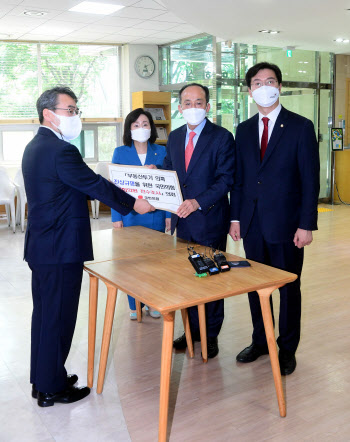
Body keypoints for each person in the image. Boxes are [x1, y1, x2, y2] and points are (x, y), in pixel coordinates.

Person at [22, 86, 154, 407]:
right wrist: (132, 204)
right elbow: (93, 184)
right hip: (60, 248)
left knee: (45, 316)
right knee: (60, 317)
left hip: (43, 247)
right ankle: (53, 388)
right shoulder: (60, 150)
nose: (75, 116)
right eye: (70, 110)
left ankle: (43, 379)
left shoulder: (34, 147)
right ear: (49, 114)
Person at [230, 62, 320, 375]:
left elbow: (310, 179)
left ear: (279, 87)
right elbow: (239, 180)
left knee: (288, 287)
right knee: (257, 287)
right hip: (252, 224)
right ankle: (260, 340)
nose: (264, 86)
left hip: (287, 225)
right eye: (257, 82)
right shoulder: (242, 130)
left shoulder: (300, 126)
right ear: (249, 90)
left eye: (270, 81)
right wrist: (235, 218)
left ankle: (286, 348)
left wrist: (307, 223)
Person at [163, 83, 235, 359]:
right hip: (183, 222)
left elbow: (226, 179)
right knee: (188, 279)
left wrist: (198, 201)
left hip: (209, 219)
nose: (193, 107)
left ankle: (210, 335)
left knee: (211, 279)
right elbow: (171, 174)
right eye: (187, 102)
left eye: (199, 102)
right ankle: (191, 331)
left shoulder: (222, 138)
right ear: (179, 107)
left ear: (207, 107)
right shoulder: (174, 137)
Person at [111, 108, 171, 319]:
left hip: (156, 214)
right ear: (129, 129)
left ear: (151, 127)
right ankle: (134, 305)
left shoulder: (162, 151)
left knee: (156, 262)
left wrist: (169, 216)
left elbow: (168, 187)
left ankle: (153, 302)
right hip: (130, 215)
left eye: (145, 124)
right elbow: (115, 188)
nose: (141, 128)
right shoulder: (120, 152)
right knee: (131, 263)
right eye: (136, 125)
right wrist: (116, 218)